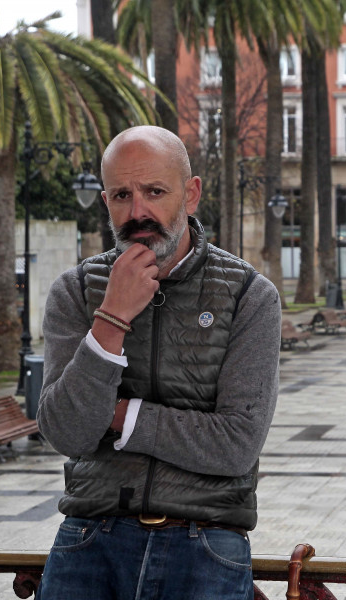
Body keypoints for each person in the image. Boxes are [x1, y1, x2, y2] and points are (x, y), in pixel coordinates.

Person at [36, 126, 281, 600]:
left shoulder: (249, 296)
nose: (138, 212)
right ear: (106, 200)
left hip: (205, 545)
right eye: (123, 195)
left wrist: (120, 414)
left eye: (154, 192)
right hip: (89, 541)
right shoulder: (74, 290)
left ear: (190, 195)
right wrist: (111, 317)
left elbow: (236, 446)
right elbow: (66, 432)